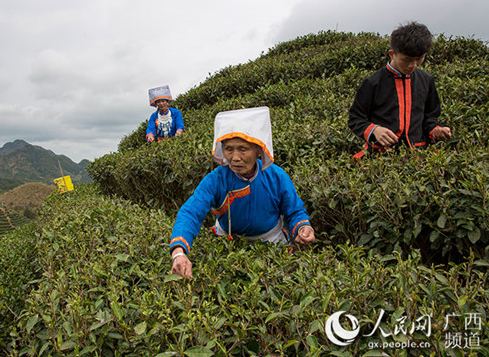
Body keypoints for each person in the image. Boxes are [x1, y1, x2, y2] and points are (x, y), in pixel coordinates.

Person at [169, 107, 315, 279]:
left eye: (243, 149)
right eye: (229, 149)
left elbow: (295, 210)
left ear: (258, 149)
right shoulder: (216, 179)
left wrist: (303, 227)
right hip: (230, 244)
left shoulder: (276, 176)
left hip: (273, 243)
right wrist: (179, 252)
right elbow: (191, 211)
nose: (235, 157)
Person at [348, 21, 452, 160]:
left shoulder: (426, 80)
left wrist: (436, 130)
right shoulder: (373, 82)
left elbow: (430, 117)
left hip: (419, 155)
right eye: (406, 60)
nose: (413, 65)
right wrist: (375, 130)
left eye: (419, 59)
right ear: (392, 54)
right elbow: (355, 119)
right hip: (381, 156)